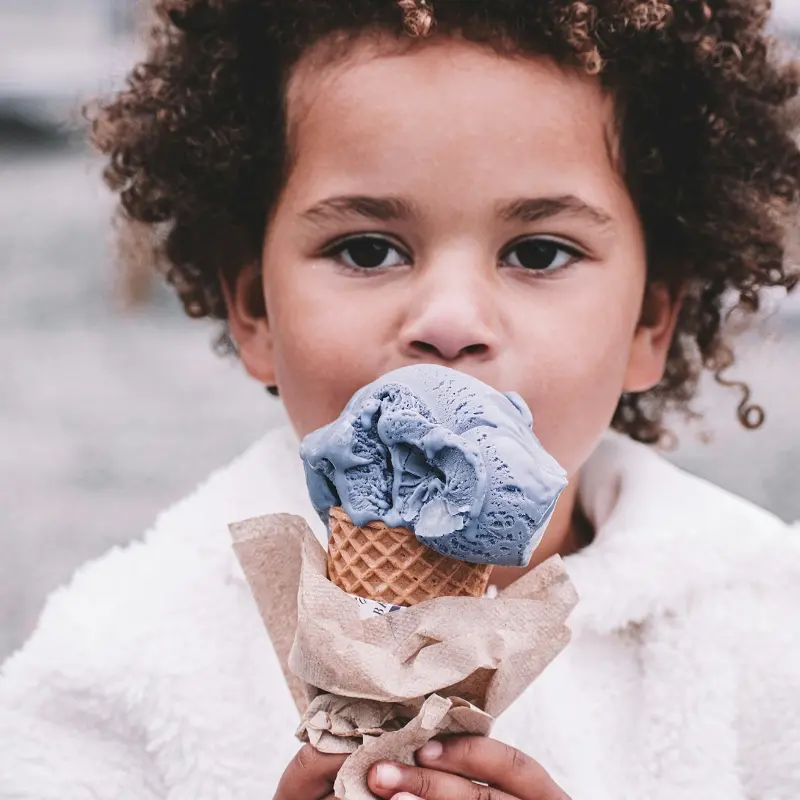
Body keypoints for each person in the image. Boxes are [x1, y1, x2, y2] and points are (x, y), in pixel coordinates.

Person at [2, 1, 799, 798]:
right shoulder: (120, 663)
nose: (449, 321)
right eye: (367, 249)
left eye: (539, 251)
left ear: (649, 322)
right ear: (255, 310)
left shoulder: (767, 630)